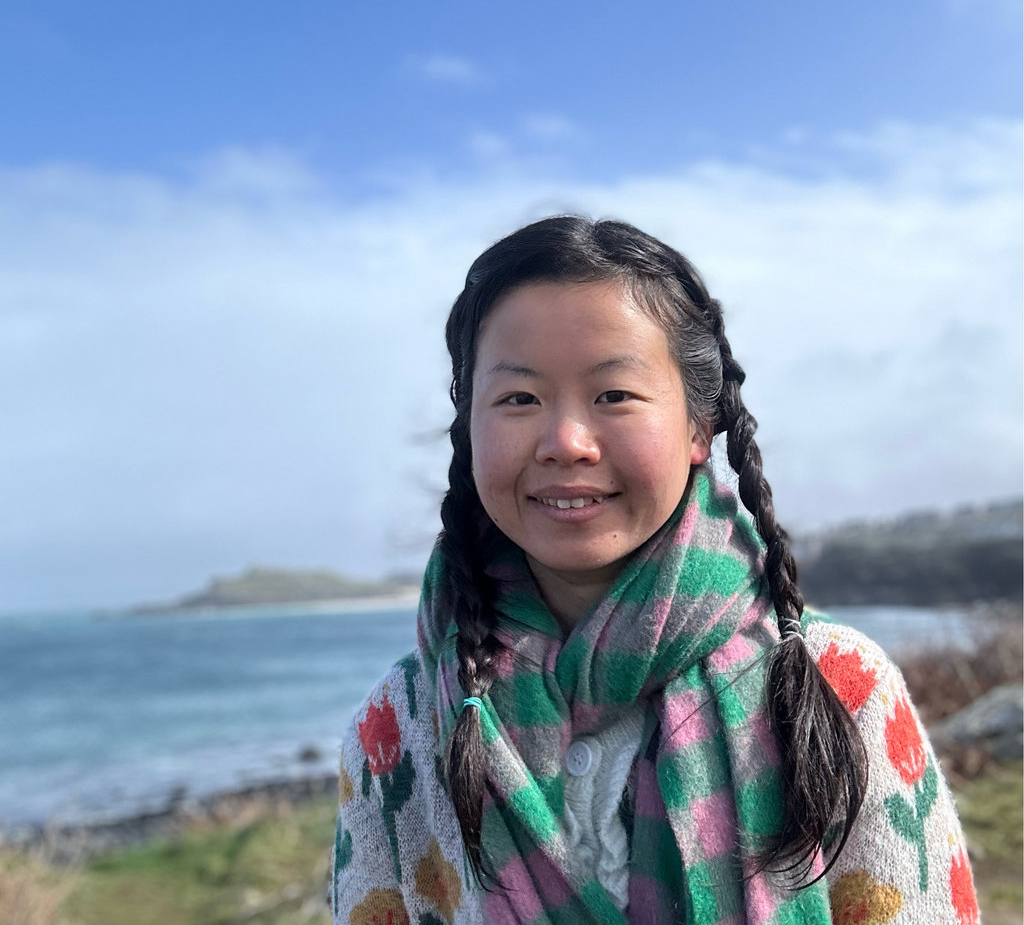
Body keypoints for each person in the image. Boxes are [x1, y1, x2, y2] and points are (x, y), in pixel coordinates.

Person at [330, 216, 979, 925]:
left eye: (613, 395)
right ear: (469, 427)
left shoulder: (835, 686)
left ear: (699, 425)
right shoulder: (400, 726)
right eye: (519, 399)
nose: (565, 443)